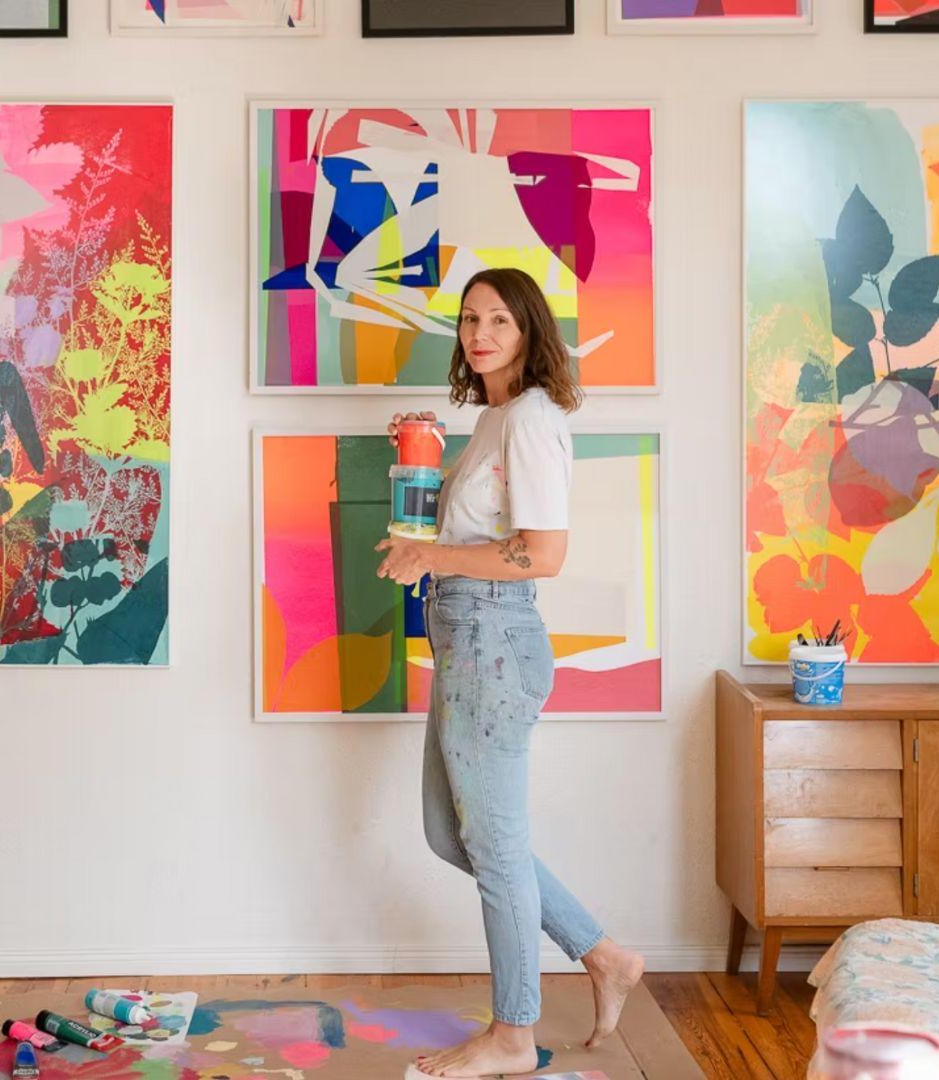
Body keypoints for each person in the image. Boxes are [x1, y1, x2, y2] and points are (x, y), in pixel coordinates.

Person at [375, 267, 645, 1078]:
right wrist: (418, 457)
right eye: (468, 319)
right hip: (467, 638)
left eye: (499, 319)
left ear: (530, 330)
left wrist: (434, 555)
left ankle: (513, 1036)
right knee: (449, 831)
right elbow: (470, 528)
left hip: (494, 638)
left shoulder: (529, 418)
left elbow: (544, 554)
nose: (480, 332)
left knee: (492, 845)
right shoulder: (494, 419)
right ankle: (603, 955)